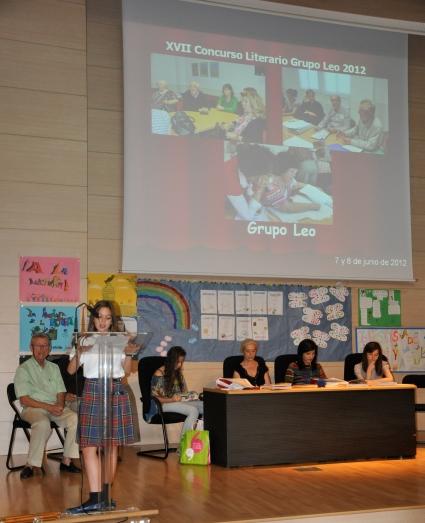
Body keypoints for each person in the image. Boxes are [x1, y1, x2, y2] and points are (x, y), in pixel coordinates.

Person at [66, 300, 138, 514]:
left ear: (112, 320)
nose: (103, 322)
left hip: (115, 390)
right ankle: (96, 498)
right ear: (93, 318)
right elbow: (71, 370)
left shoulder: (120, 340)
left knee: (111, 446)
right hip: (92, 390)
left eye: (108, 318)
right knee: (89, 446)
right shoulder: (84, 338)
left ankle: (104, 497)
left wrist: (131, 354)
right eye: (100, 317)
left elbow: (125, 371)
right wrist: (79, 351)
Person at [13, 333, 80, 480]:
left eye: (45, 346)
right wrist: (50, 408)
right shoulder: (23, 369)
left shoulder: (54, 368)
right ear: (31, 347)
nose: (42, 349)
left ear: (49, 349)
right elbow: (24, 400)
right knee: (43, 423)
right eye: (38, 345)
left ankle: (66, 461)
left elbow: (61, 391)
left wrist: (60, 405)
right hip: (33, 408)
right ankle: (31, 465)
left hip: (54, 407)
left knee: (74, 418)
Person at [150, 346, 203, 438]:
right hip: (162, 405)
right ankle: (184, 445)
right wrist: (171, 399)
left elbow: (184, 393)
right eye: (178, 362)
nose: (179, 365)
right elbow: (154, 398)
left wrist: (191, 396)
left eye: (181, 362)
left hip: (178, 402)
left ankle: (201, 442)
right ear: (171, 360)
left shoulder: (178, 373)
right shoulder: (159, 374)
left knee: (206, 406)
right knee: (193, 410)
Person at [252, 151, 321, 213]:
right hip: (268, 212)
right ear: (282, 170)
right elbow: (287, 208)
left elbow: (297, 184)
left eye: (295, 172)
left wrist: (314, 189)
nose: (294, 175)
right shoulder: (271, 183)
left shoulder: (288, 179)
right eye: (292, 172)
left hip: (279, 208)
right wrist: (310, 206)